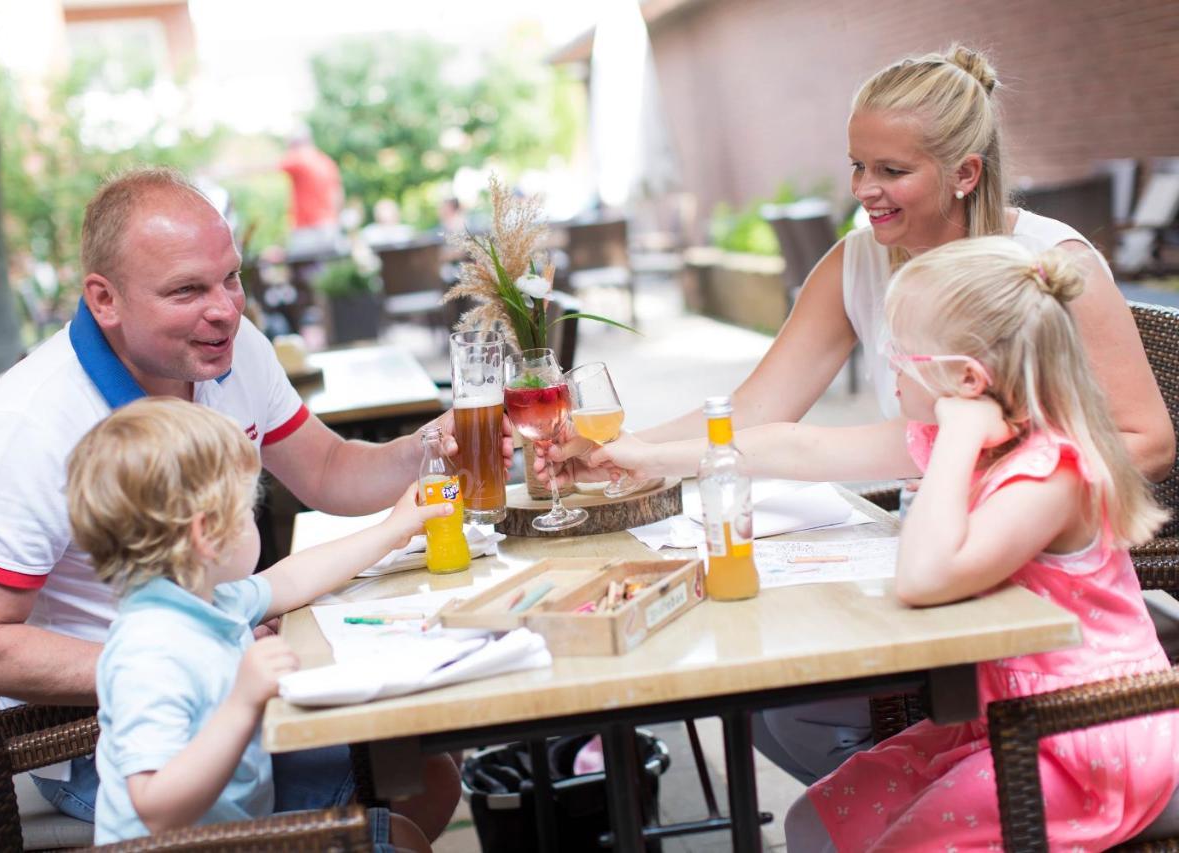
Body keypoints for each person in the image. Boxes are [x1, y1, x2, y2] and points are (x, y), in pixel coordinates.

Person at [541, 44, 1176, 784]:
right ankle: (914, 790)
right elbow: (756, 414)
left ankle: (944, 792)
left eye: (891, 170)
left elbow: (1150, 439)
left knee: (792, 703)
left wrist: (1001, 483)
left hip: (1030, 569)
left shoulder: (1046, 263)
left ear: (965, 172)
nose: (864, 190)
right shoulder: (860, 261)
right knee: (770, 691)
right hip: (930, 544)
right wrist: (624, 449)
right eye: (857, 166)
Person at [0, 167, 491, 840]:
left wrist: (423, 449)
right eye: (187, 290)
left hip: (223, 671)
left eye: (230, 277)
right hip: (117, 740)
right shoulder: (24, 425)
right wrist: (209, 661)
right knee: (414, 774)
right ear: (104, 299)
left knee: (427, 745)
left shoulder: (226, 344)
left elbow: (323, 468)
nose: (227, 308)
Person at [594, 237, 1179, 849]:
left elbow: (923, 578)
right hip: (1002, 716)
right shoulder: (964, 437)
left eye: (900, 356)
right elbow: (801, 447)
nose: (888, 371)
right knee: (812, 822)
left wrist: (956, 437)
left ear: (967, 381)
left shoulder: (1050, 473)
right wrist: (649, 456)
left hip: (1088, 739)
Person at [69, 398, 444, 848]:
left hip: (233, 829)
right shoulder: (150, 650)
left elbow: (293, 576)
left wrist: (394, 529)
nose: (254, 522)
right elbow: (156, 808)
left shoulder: (207, 602)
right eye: (246, 511)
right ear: (206, 535)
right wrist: (243, 703)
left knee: (402, 827)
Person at [280, 132, 345, 258]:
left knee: (301, 273)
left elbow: (267, 167)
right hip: (330, 227)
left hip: (308, 231)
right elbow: (338, 195)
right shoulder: (326, 161)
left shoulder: (298, 157)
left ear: (294, 143)